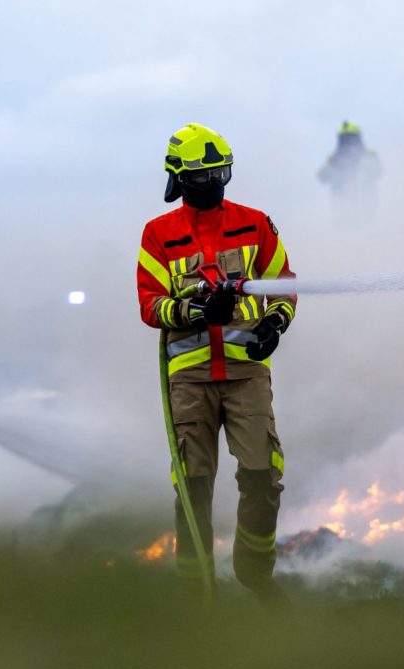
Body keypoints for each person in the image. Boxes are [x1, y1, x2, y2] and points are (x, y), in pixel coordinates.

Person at [136, 123, 297, 603]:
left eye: (221, 172)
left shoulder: (255, 223)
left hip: (247, 372)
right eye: (204, 176)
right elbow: (150, 306)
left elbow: (283, 283)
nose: (216, 183)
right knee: (193, 490)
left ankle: (255, 577)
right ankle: (196, 596)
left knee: (263, 476)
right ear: (180, 179)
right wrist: (196, 309)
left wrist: (275, 325)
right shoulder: (158, 235)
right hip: (190, 381)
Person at [317, 120, 382, 202]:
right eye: (344, 139)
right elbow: (322, 177)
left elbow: (378, 172)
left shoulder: (368, 156)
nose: (347, 143)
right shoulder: (334, 159)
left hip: (365, 203)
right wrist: (334, 165)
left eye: (350, 139)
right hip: (341, 205)